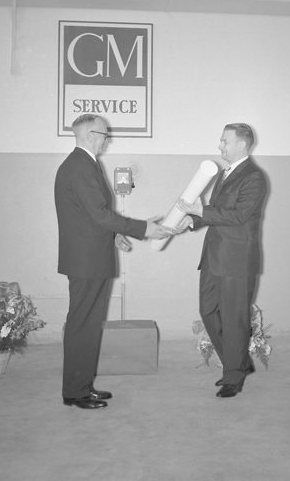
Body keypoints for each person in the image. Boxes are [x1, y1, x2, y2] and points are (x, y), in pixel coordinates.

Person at [55, 114, 174, 410]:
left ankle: (82, 386)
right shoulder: (81, 167)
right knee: (83, 325)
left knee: (87, 324)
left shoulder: (83, 165)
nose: (106, 140)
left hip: (90, 257)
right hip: (86, 262)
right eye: (104, 134)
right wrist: (143, 229)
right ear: (90, 135)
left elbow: (89, 216)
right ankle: (75, 391)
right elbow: (99, 214)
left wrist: (114, 235)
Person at [176, 123, 267, 398]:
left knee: (234, 319)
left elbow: (238, 216)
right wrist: (191, 221)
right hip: (214, 257)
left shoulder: (254, 177)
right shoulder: (226, 174)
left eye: (225, 141)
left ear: (242, 144)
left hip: (237, 260)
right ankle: (238, 361)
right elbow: (217, 211)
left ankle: (233, 377)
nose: (220, 146)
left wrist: (201, 211)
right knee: (208, 311)